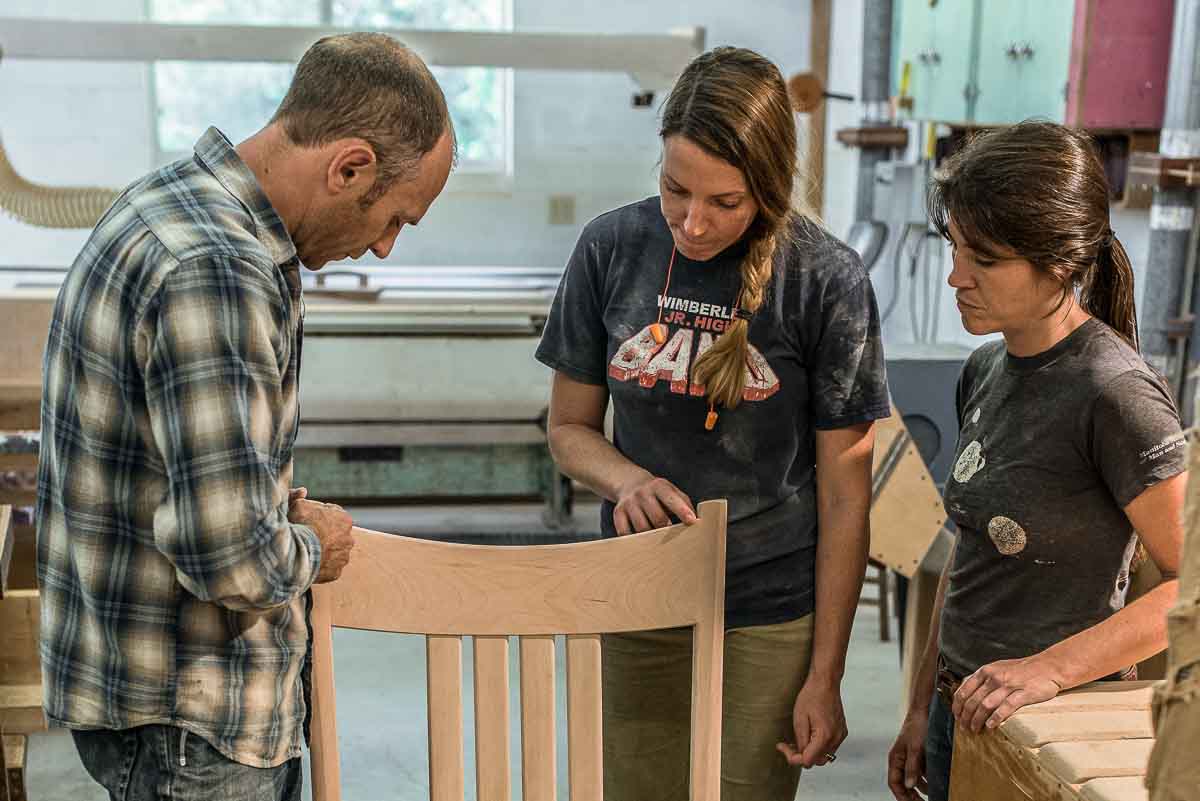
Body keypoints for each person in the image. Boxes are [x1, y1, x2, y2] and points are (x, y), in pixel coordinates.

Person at [37, 33, 455, 801]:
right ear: (349, 166)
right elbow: (229, 555)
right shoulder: (216, 269)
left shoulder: (168, 204)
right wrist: (310, 544)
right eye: (396, 217)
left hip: (156, 705)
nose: (387, 247)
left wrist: (264, 508)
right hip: (194, 723)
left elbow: (185, 481)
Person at [536, 46, 890, 800]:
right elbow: (568, 428)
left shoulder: (826, 279)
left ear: (768, 186)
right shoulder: (610, 247)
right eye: (675, 190)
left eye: (725, 202)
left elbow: (845, 498)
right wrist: (624, 476)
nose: (693, 223)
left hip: (770, 607)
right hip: (640, 588)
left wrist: (825, 673)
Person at [887, 121, 1188, 801]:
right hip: (960, 707)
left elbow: (1190, 584)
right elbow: (970, 562)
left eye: (983, 259)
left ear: (1058, 261)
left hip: (1051, 728)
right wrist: (918, 708)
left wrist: (1047, 669)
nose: (955, 276)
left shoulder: (1114, 392)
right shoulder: (984, 368)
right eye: (954, 247)